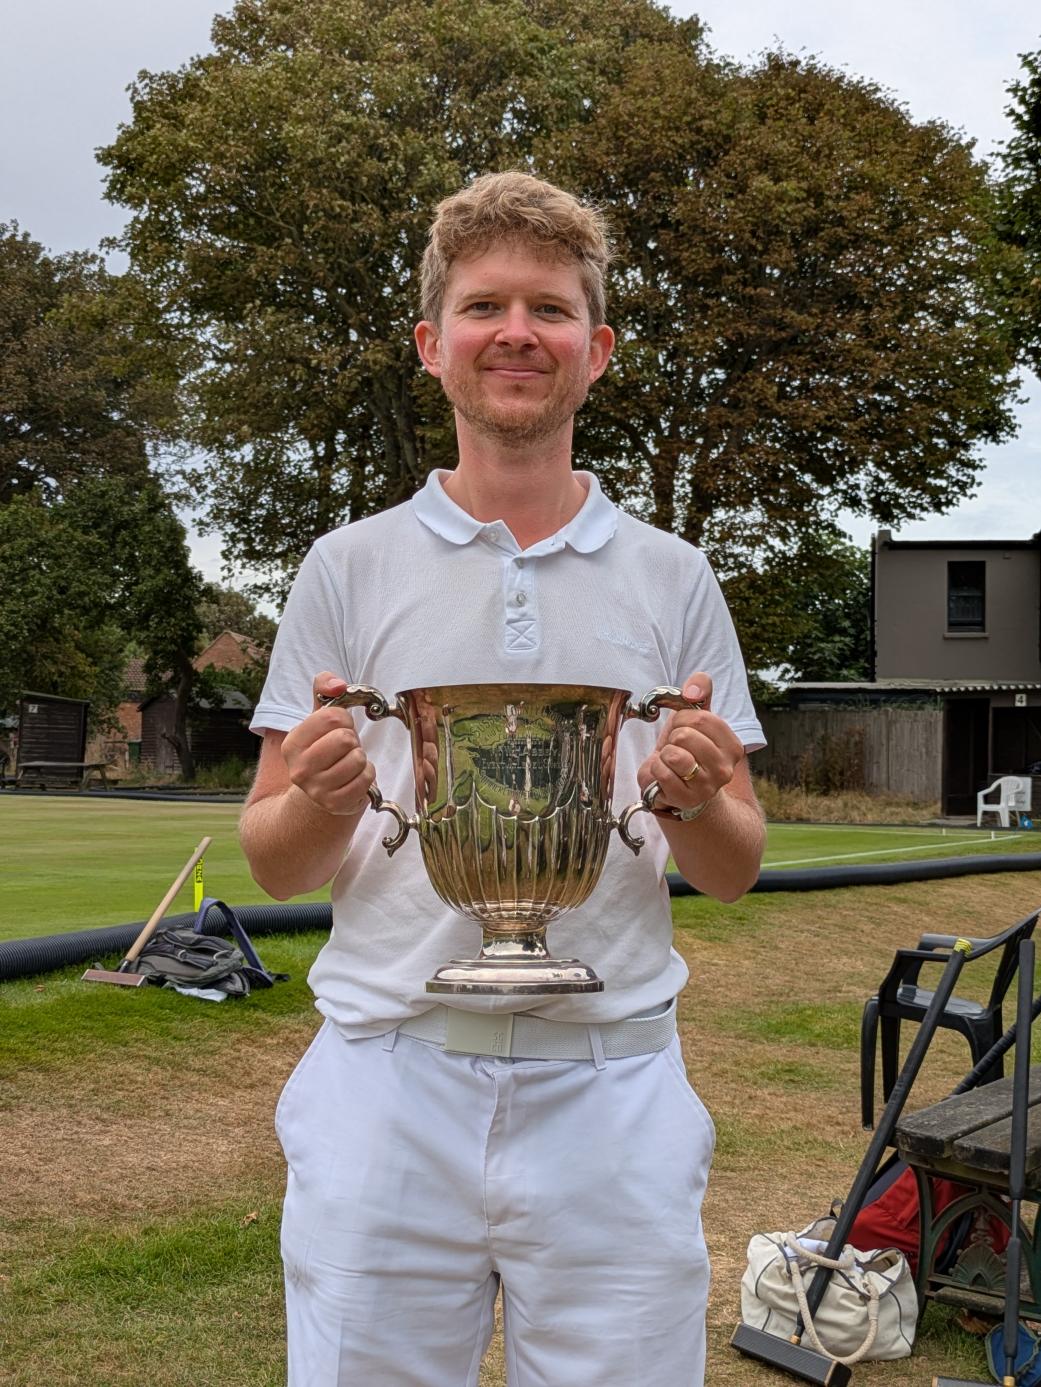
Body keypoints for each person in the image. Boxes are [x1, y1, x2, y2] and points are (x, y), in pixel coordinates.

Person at [242, 171, 766, 1387]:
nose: (518, 333)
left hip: (613, 1081)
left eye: (551, 308)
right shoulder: (347, 566)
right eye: (484, 307)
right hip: (386, 1079)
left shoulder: (674, 576)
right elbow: (274, 860)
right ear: (433, 344)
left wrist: (696, 798)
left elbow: (736, 871)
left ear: (599, 349)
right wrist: (318, 796)